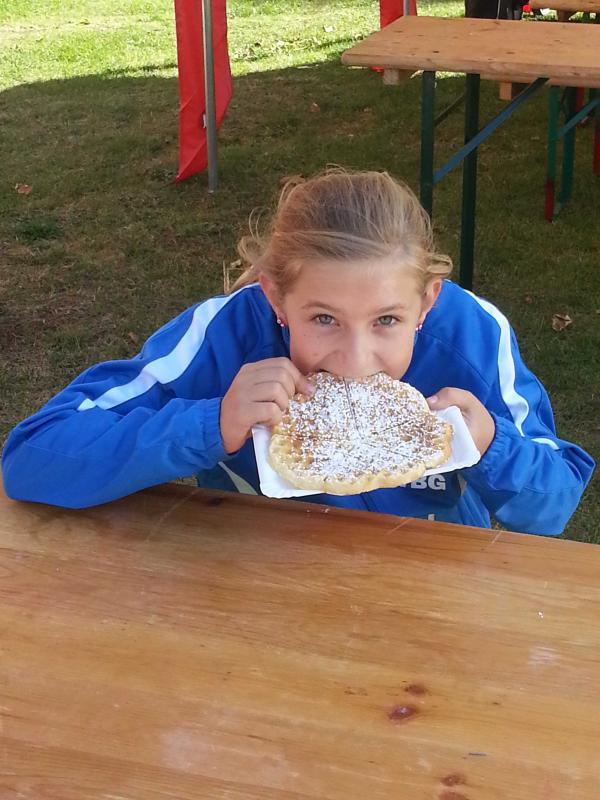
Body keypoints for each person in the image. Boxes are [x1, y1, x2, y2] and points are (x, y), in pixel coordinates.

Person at [1, 170, 594, 535]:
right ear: (275, 297)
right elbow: (33, 456)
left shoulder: (472, 335)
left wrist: (491, 444)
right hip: (259, 581)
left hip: (428, 586)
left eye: (387, 321)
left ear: (427, 301)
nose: (356, 361)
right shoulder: (226, 335)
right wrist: (211, 423)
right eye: (324, 319)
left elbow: (555, 505)